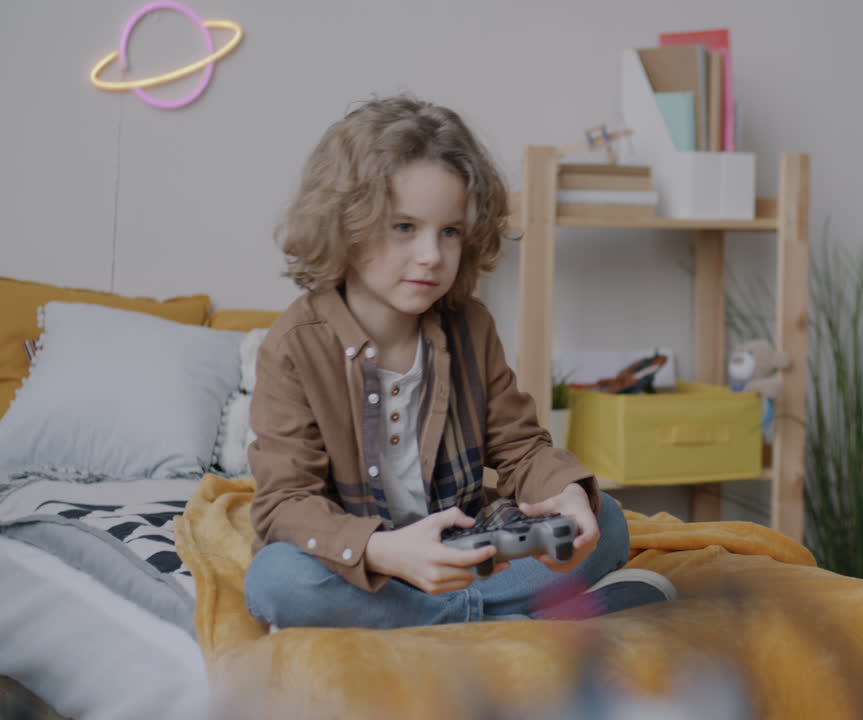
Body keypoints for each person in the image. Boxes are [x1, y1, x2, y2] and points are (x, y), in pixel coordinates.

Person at [242, 95, 675, 629]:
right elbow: (286, 503)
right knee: (278, 580)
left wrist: (564, 496)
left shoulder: (471, 326)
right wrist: (383, 551)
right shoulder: (293, 346)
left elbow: (520, 448)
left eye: (449, 231)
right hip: (368, 565)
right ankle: (502, 619)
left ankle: (431, 620)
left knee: (606, 522)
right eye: (404, 227)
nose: (431, 255)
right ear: (345, 225)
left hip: (466, 552)